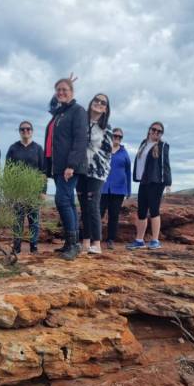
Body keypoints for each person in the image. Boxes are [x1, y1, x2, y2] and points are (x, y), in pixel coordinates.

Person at [44, 77, 88, 261]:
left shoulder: (77, 111)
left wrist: (71, 165)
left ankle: (74, 244)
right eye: (58, 90)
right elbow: (51, 104)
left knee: (62, 200)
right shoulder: (59, 113)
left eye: (64, 89)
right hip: (58, 166)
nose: (61, 93)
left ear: (72, 92)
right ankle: (70, 243)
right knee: (67, 201)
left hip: (69, 166)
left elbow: (80, 139)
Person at [127, 121, 172, 250]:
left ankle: (155, 240)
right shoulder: (143, 143)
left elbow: (165, 164)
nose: (156, 132)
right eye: (154, 129)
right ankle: (139, 240)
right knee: (141, 211)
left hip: (157, 182)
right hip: (144, 181)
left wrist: (168, 182)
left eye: (159, 131)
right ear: (149, 130)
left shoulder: (163, 146)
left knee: (154, 210)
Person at [77, 94, 113, 254]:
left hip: (97, 172)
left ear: (106, 108)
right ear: (91, 102)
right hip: (80, 169)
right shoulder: (80, 122)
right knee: (83, 206)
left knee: (93, 205)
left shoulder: (106, 128)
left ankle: (97, 243)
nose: (99, 103)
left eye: (103, 102)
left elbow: (108, 152)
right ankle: (85, 243)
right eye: (96, 100)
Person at [6, 121, 46, 254]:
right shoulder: (13, 148)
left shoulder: (38, 149)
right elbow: (7, 171)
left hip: (33, 192)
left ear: (32, 131)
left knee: (33, 221)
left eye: (28, 129)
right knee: (17, 220)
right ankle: (16, 247)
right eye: (22, 129)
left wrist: (43, 191)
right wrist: (9, 191)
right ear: (19, 131)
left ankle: (33, 247)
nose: (25, 131)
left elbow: (43, 172)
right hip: (18, 192)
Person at [100, 127, 132, 249]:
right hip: (102, 188)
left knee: (114, 215)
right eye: (115, 136)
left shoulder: (124, 153)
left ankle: (110, 240)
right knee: (98, 213)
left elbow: (128, 172)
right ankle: (95, 238)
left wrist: (128, 190)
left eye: (120, 137)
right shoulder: (104, 150)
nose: (117, 138)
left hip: (118, 190)